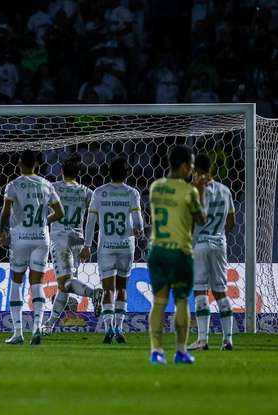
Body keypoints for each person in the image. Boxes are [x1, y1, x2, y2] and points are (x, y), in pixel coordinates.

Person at [147, 145, 205, 365]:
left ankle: (156, 351)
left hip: (157, 251)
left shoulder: (155, 187)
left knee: (159, 302)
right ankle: (180, 351)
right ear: (183, 166)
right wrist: (201, 191)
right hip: (179, 253)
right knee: (181, 302)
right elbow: (200, 220)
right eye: (190, 165)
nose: (191, 169)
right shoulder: (188, 191)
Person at [0, 151, 64, 345]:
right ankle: (36, 328)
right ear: (36, 164)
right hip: (41, 238)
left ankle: (18, 333)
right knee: (37, 283)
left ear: (20, 163)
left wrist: (2, 229)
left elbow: (6, 210)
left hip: (21, 237)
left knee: (17, 282)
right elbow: (59, 213)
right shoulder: (46, 184)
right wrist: (44, 221)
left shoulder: (14, 185)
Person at [81, 156, 143, 344]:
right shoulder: (132, 193)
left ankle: (108, 328)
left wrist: (86, 245)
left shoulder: (99, 193)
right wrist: (138, 231)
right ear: (127, 173)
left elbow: (90, 221)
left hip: (106, 247)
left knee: (108, 289)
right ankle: (119, 328)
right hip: (125, 246)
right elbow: (139, 223)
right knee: (122, 287)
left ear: (109, 173)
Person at [43, 154, 102, 335]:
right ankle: (50, 324)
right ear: (78, 173)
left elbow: (42, 211)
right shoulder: (86, 191)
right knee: (64, 285)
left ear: (61, 172)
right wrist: (88, 245)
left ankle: (94, 294)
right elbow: (94, 217)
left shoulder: (53, 188)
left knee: (65, 283)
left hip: (60, 240)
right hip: (78, 240)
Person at [187, 154, 236, 351]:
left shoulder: (196, 190)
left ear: (196, 170)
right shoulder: (225, 190)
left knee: (200, 290)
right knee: (220, 291)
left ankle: (202, 339)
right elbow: (231, 223)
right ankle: (228, 340)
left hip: (200, 244)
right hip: (219, 244)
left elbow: (194, 219)